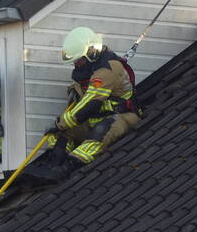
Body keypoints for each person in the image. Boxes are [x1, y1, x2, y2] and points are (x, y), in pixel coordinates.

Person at [27, 27, 140, 182]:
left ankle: (69, 166)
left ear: (92, 53)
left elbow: (92, 102)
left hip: (121, 117)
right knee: (59, 134)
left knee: (100, 132)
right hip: (93, 120)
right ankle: (52, 164)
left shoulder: (108, 69)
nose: (77, 64)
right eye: (75, 61)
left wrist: (62, 122)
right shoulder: (86, 72)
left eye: (79, 59)